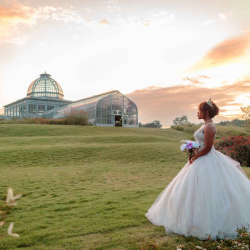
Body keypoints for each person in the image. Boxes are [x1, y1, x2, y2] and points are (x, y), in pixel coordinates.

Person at [145, 98, 250, 240]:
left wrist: (195, 157)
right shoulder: (206, 125)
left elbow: (207, 147)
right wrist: (192, 151)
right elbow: (201, 145)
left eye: (199, 111)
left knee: (207, 190)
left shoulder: (210, 127)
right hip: (200, 158)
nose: (197, 113)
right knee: (189, 190)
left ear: (206, 112)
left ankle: (206, 222)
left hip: (207, 159)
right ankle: (191, 219)